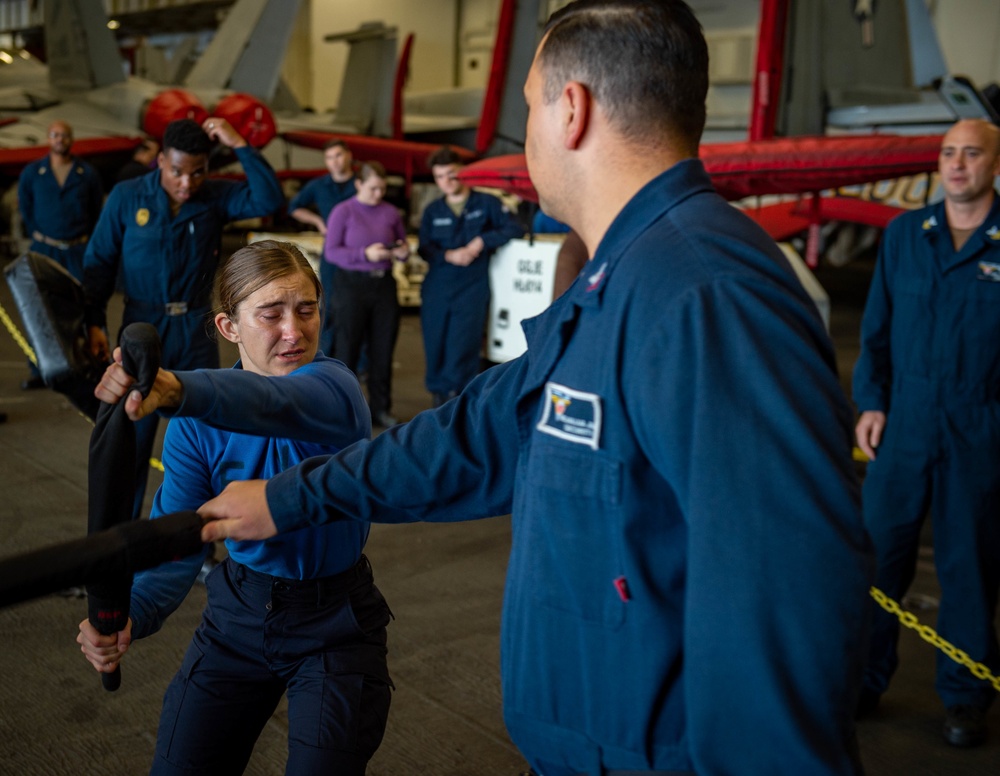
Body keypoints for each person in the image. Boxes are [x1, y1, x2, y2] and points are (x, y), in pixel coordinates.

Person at [199, 2, 873, 774]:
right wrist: (285, 497)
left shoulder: (701, 292)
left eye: (527, 106)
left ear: (572, 109)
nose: (523, 138)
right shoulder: (618, 279)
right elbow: (477, 435)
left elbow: (786, 598)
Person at [76, 241, 393, 775]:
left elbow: (275, 403)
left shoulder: (337, 390)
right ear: (228, 327)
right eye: (271, 315)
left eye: (307, 309)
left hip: (334, 624)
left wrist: (178, 389)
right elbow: (176, 540)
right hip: (238, 616)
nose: (294, 331)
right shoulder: (194, 426)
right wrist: (132, 613)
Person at [853, 117, 1000, 748]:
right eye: (948, 153)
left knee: (969, 565)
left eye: (972, 154)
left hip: (981, 426)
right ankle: (860, 678)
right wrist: (871, 402)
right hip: (905, 424)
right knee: (877, 557)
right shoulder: (905, 235)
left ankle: (965, 697)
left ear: (996, 165)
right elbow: (876, 330)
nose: (957, 164)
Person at [82, 117, 284, 519]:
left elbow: (268, 200)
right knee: (131, 441)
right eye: (177, 171)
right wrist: (93, 323)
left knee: (203, 441)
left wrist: (239, 143)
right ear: (160, 161)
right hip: (141, 331)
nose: (187, 183)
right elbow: (98, 264)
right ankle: (117, 550)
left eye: (197, 172)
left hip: (195, 332)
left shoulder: (213, 198)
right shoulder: (127, 198)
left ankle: (198, 545)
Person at [418, 146, 522, 407]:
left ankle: (459, 403)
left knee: (463, 345)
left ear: (462, 173)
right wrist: (448, 255)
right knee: (435, 342)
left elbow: (514, 227)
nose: (447, 181)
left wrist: (481, 241)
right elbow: (424, 247)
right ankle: (438, 399)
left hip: (471, 287)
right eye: (440, 176)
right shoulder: (433, 210)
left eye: (451, 174)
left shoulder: (485, 203)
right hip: (438, 288)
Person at [17, 119, 104, 389]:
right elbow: (26, 209)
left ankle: (85, 367)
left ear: (71, 139)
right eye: (55, 135)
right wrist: (42, 237)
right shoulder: (33, 173)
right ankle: (39, 369)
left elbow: (95, 211)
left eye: (64, 135)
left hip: (77, 249)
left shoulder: (86, 173)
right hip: (44, 248)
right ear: (48, 138)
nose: (60, 140)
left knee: (83, 306)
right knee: (39, 308)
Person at [323, 161, 409, 428]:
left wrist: (402, 252)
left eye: (382, 189)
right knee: (347, 347)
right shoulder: (344, 211)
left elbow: (402, 242)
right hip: (351, 285)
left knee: (383, 349)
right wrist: (364, 254)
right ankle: (342, 410)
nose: (378, 195)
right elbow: (331, 252)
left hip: (383, 285)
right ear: (359, 184)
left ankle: (381, 408)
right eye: (373, 188)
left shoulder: (391, 212)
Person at [287, 138, 356, 354]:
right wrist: (318, 222)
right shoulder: (319, 186)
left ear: (349, 156)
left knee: (357, 304)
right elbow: (294, 207)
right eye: (329, 157)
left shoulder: (361, 183)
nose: (334, 162)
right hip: (333, 252)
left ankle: (359, 360)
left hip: (358, 252)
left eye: (338, 155)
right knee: (328, 301)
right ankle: (324, 354)